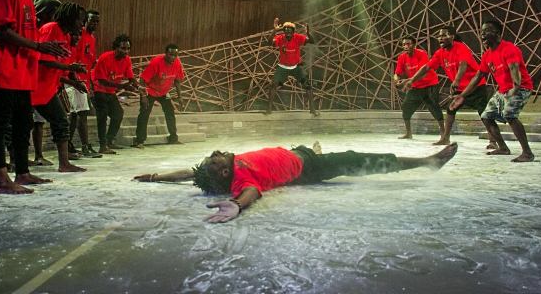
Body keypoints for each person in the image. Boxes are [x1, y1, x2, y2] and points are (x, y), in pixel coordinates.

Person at [134, 141, 458, 223]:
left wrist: (156, 176)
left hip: (296, 153)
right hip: (311, 168)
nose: (217, 153)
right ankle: (430, 162)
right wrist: (236, 206)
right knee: (364, 159)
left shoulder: (222, 167)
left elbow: (190, 172)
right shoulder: (240, 178)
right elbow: (250, 192)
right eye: (216, 159)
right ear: (223, 174)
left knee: (309, 149)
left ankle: (311, 147)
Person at [0, 0, 69, 194]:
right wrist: (38, 46)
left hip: (22, 75)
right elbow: (0, 30)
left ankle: (22, 172)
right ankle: (1, 179)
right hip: (2, 71)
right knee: (0, 127)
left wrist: (42, 47)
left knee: (23, 125)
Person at [451, 20, 534, 162]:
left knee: (510, 115)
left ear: (498, 34)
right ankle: (503, 147)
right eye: (482, 31)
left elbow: (514, 67)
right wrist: (462, 95)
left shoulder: (509, 48)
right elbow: (478, 77)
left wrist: (516, 86)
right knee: (486, 115)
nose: (483, 34)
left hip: (521, 87)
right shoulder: (487, 56)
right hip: (503, 90)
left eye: (487, 30)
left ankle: (527, 153)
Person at [402, 26, 497, 148]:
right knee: (450, 110)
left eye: (444, 35)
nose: (440, 38)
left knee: (484, 114)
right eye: (439, 36)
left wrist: (456, 79)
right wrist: (412, 80)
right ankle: (445, 138)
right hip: (460, 90)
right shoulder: (440, 53)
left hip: (475, 87)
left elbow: (463, 64)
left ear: (452, 36)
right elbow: (426, 67)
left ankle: (493, 141)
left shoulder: (461, 48)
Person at [32, 2, 88, 172]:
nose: (81, 24)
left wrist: (74, 78)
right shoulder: (51, 28)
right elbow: (41, 58)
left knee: (61, 121)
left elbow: (62, 65)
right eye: (79, 19)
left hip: (47, 90)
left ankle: (64, 163)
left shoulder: (66, 37)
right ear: (69, 17)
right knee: (17, 125)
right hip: (33, 87)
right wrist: (69, 68)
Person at [92, 34, 141, 154]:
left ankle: (109, 141)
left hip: (111, 91)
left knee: (118, 114)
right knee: (102, 116)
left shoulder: (126, 60)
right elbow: (101, 80)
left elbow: (131, 77)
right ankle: (102, 146)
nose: (126, 51)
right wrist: (122, 86)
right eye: (123, 48)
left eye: (128, 49)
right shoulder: (105, 58)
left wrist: (139, 87)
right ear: (116, 48)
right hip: (98, 89)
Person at [30, 0, 63, 166]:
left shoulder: (43, 30)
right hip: (29, 84)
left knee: (36, 121)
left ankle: (35, 157)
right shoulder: (41, 30)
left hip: (41, 86)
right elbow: (41, 59)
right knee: (19, 123)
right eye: (54, 13)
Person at [133, 43, 185, 149]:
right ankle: (139, 140)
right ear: (165, 54)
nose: (173, 57)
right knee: (144, 114)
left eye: (175, 55)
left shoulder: (177, 63)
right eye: (170, 54)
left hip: (163, 92)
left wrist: (180, 96)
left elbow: (177, 81)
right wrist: (144, 96)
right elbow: (143, 78)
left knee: (170, 112)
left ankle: (173, 138)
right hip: (150, 91)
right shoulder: (156, 62)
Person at [394, 35, 445, 139]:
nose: (406, 46)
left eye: (408, 44)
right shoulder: (402, 58)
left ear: (413, 45)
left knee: (434, 107)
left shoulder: (421, 54)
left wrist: (407, 81)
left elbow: (423, 73)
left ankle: (444, 134)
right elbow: (397, 73)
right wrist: (396, 79)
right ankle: (408, 133)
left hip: (429, 84)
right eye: (404, 44)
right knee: (406, 106)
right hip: (415, 86)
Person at [264, 18, 317, 116]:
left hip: (296, 66)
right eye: (286, 32)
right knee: (273, 84)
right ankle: (269, 109)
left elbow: (312, 41)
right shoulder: (280, 38)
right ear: (284, 32)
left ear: (293, 32)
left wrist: (308, 33)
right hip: (283, 66)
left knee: (307, 84)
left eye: (290, 32)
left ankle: (312, 109)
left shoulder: (298, 37)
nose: (288, 34)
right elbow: (269, 43)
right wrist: (275, 30)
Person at [67, 9, 101, 157]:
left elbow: (90, 63)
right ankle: (85, 146)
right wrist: (75, 79)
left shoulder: (92, 39)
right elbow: (71, 57)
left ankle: (68, 144)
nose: (94, 23)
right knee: (80, 113)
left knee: (76, 114)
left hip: (84, 81)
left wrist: (90, 84)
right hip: (74, 80)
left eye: (97, 21)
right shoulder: (78, 35)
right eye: (92, 20)